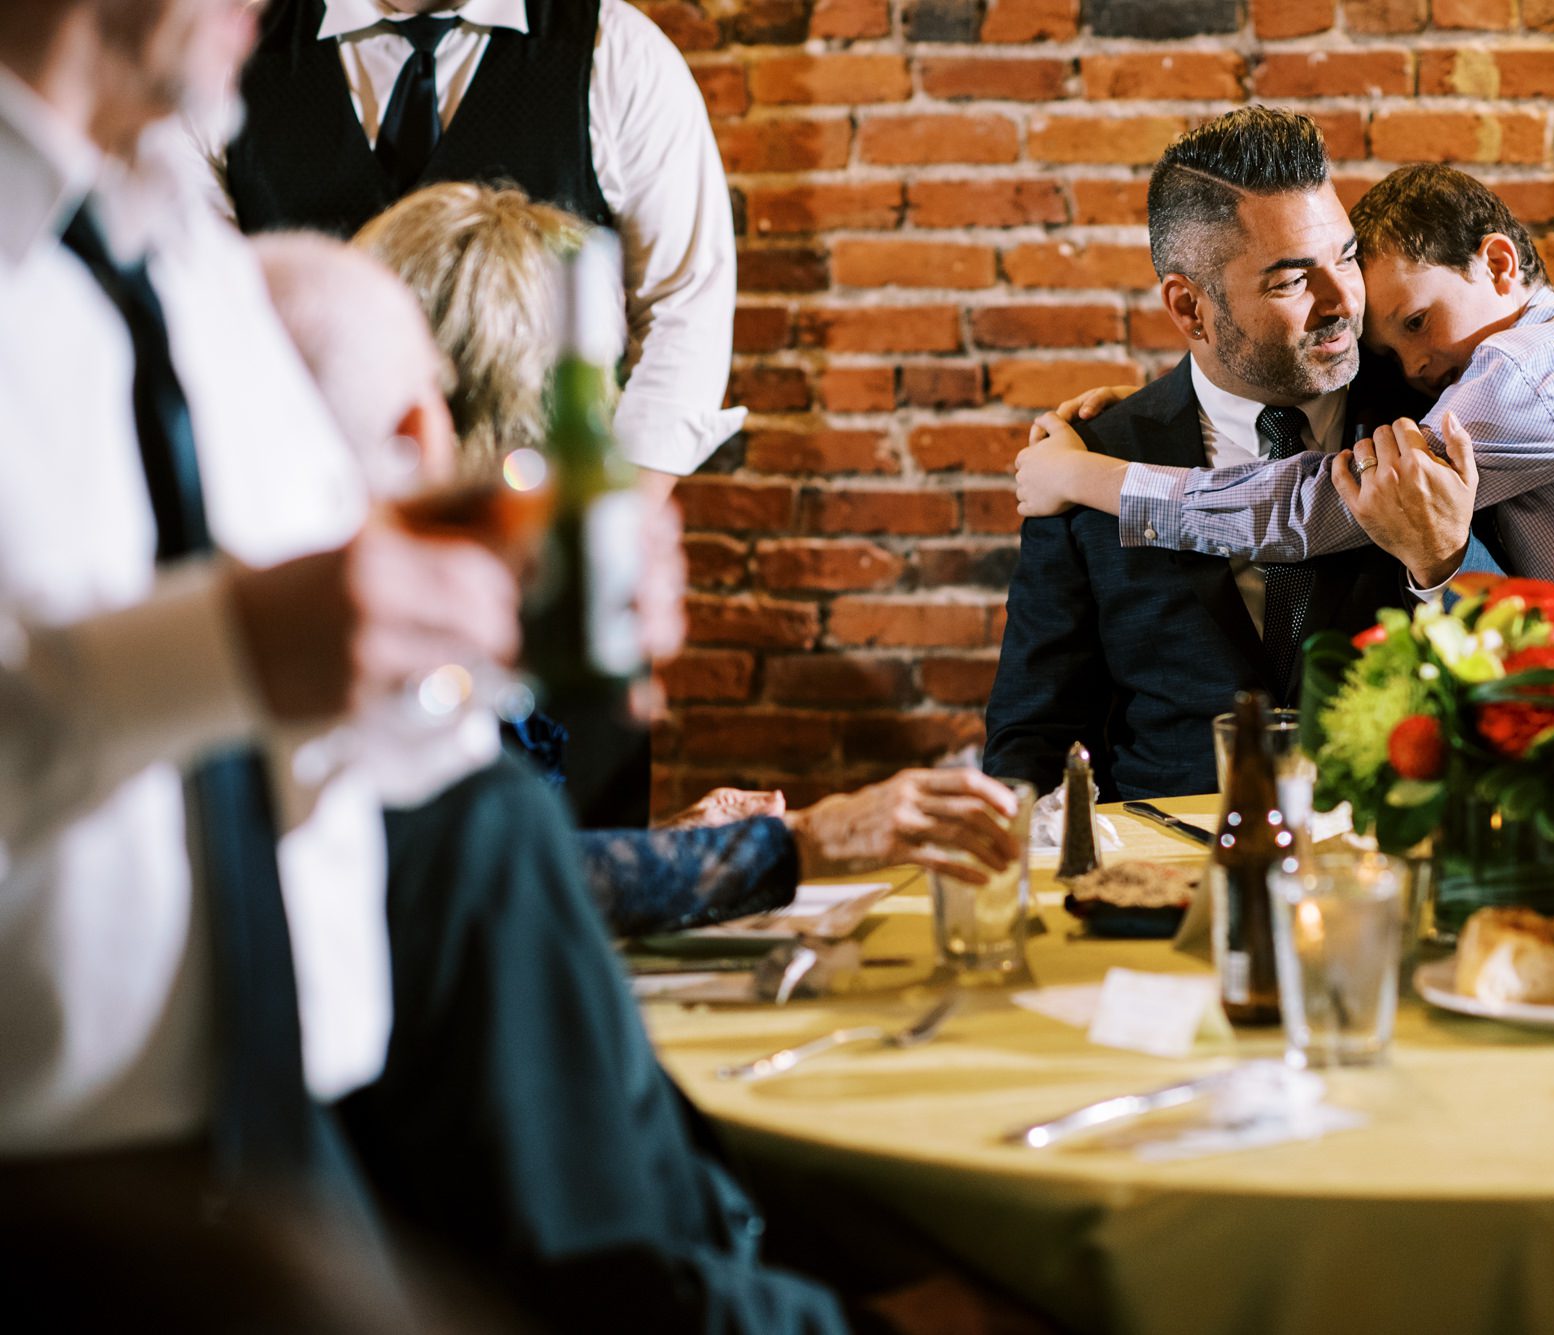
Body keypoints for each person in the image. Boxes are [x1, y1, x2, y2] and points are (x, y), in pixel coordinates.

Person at [0, 4, 848, 1330]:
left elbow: (373, 727)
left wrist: (476, 614)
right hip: (78, 1202)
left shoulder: (190, 257)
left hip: (329, 1144)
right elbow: (221, 649)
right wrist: (221, 650)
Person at [260, 221, 1023, 934]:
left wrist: (679, 847)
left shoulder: (456, 608)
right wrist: (800, 840)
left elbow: (545, 872)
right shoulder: (347, 634)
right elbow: (475, 884)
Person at [1015, 163, 1554, 658]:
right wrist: (1164, 408)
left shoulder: (1526, 379)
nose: (1417, 368)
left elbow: (1307, 506)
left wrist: (1086, 475)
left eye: (1418, 321)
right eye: (1391, 351)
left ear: (1496, 262)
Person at [981, 108, 1480, 800]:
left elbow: (1511, 666)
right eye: (1291, 281)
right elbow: (1030, 736)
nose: (1343, 301)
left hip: (1390, 847)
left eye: (1345, 257)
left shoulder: (1436, 408)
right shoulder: (1088, 456)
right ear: (1190, 310)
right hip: (1170, 872)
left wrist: (1443, 564)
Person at [191, 0, 740, 479]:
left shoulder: (617, 53)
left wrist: (603, 535)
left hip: (539, 521)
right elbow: (198, 315)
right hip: (310, 528)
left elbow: (684, 314)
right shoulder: (221, 59)